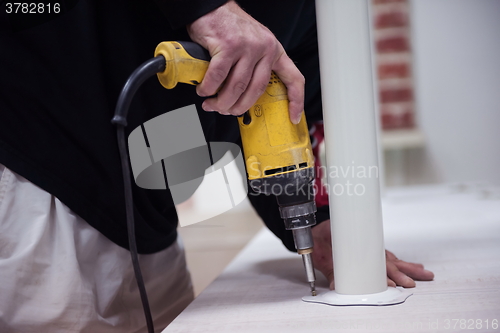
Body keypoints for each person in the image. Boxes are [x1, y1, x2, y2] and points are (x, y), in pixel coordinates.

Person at [0, 0, 434, 331]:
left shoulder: (319, 13)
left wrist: (318, 222)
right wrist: (206, 7)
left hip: (149, 222)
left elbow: (293, 121)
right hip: (41, 190)